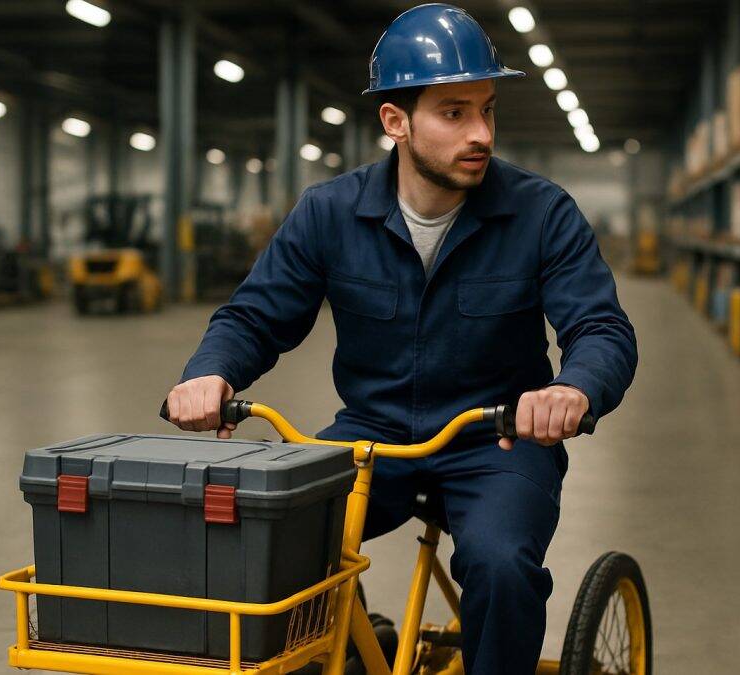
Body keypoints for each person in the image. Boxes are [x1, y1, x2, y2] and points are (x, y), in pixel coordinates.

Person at [166, 4, 637, 673]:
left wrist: (572, 387)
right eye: (454, 112)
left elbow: (601, 327)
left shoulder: (540, 213)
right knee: (266, 534)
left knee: (500, 564)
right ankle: (344, 643)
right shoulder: (330, 214)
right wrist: (210, 373)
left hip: (497, 438)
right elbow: (255, 315)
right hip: (372, 435)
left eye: (487, 109)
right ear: (395, 121)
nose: (480, 133)